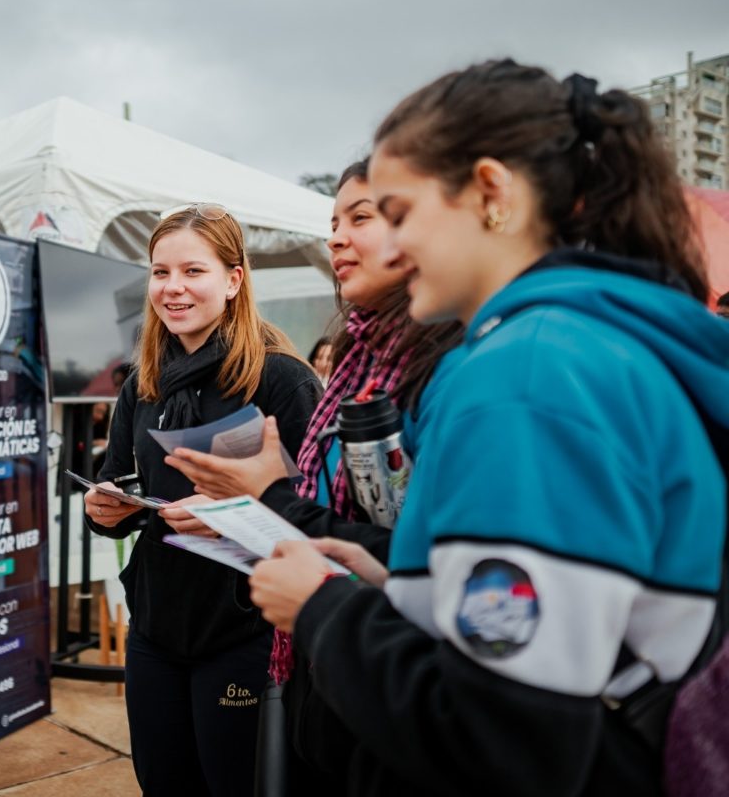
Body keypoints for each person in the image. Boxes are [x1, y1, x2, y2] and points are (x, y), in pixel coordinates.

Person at [249, 59, 729, 795]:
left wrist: (323, 608)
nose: (387, 248)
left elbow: (504, 736)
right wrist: (410, 585)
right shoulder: (588, 341)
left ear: (491, 192)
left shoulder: (526, 374)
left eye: (399, 214)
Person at [164, 162, 461, 792]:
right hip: (315, 656)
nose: (335, 239)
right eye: (333, 222)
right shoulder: (363, 359)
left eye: (361, 218)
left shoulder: (440, 372)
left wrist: (262, 501)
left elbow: (429, 559)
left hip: (370, 667)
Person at [83, 203, 321, 796]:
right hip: (156, 627)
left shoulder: (282, 380)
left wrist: (226, 521)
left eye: (193, 271)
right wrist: (106, 510)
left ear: (234, 280)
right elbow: (120, 479)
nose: (173, 288)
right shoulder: (143, 380)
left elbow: (322, 518)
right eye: (160, 273)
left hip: (245, 631)